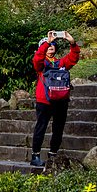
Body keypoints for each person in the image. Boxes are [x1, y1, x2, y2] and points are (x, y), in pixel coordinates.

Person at [30, 30, 81, 167]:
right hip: (44, 100)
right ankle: (35, 156)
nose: (51, 46)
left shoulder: (60, 63)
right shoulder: (41, 64)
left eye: (53, 44)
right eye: (48, 45)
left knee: (58, 128)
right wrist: (47, 42)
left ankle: (53, 155)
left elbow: (74, 57)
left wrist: (72, 42)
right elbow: (37, 59)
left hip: (61, 100)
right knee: (41, 127)